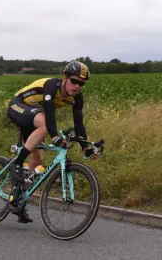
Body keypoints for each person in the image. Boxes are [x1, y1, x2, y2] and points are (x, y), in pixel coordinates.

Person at [6, 60, 99, 224]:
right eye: (74, 81)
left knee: (38, 159)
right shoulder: (51, 86)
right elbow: (49, 115)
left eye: (81, 84)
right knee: (44, 123)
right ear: (65, 77)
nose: (77, 86)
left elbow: (79, 124)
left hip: (34, 115)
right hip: (18, 106)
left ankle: (19, 199)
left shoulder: (77, 98)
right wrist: (55, 137)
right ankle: (17, 162)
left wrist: (85, 146)